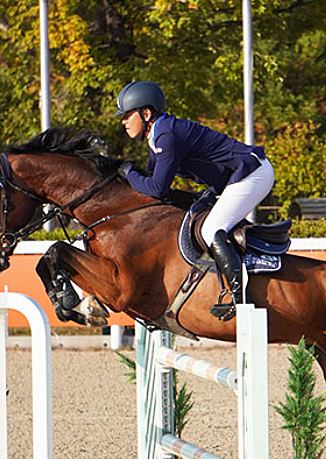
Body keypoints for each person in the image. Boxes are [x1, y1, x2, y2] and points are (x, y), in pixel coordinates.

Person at [114, 80, 275, 322]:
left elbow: (157, 189)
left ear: (145, 113)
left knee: (212, 229)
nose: (123, 122)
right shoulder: (158, 133)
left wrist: (128, 173)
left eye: (127, 115)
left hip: (252, 173)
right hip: (233, 179)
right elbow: (151, 182)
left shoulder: (166, 135)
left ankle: (241, 300)